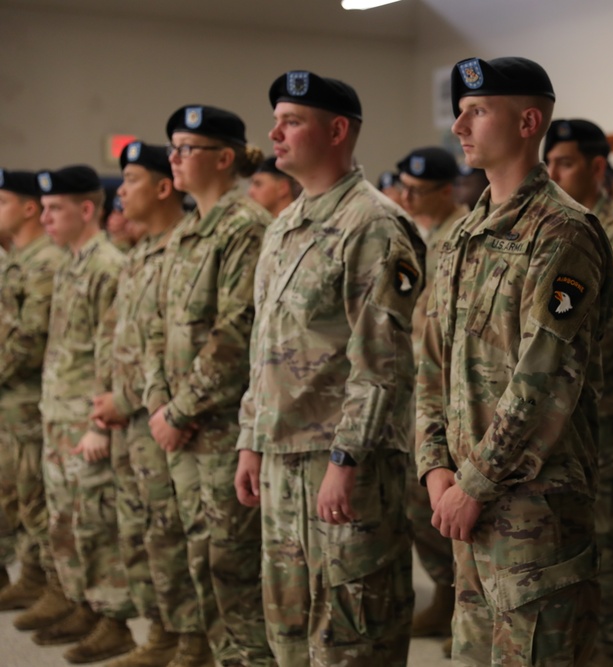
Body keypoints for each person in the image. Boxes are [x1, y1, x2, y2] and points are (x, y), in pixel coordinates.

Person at [416, 55, 613, 666]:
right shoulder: (463, 234)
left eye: (477, 111)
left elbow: (544, 377)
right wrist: (435, 469)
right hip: (463, 505)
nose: (459, 127)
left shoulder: (563, 232)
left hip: (532, 508)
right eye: (459, 112)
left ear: (529, 121)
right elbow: (431, 362)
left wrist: (474, 482)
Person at [234, 70, 423, 666]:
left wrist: (347, 460)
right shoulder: (286, 226)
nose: (274, 133)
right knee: (289, 630)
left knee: (352, 633)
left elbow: (384, 363)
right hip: (281, 457)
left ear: (337, 130)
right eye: (277, 120)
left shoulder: (374, 225)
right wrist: (249, 441)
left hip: (344, 464)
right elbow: (264, 346)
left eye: (291, 121)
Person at [145, 105, 273, 667]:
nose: (172, 158)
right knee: (200, 557)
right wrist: (160, 403)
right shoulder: (186, 232)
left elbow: (236, 332)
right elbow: (157, 325)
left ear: (224, 158)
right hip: (182, 426)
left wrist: (179, 409)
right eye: (171, 147)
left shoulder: (245, 227)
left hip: (221, 429)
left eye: (185, 148)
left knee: (234, 566)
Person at [89, 141, 205, 667]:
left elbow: (173, 349)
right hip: (128, 422)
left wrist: (128, 398)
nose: (120, 193)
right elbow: (124, 343)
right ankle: (160, 631)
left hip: (159, 418)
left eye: (131, 180)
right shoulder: (138, 257)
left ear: (164, 187)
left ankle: (191, 639)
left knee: (172, 535)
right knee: (141, 533)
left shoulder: (183, 250)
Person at [544, 117, 613, 667]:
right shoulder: (554, 225)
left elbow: (612, 320)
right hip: (559, 409)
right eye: (549, 163)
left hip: (604, 406)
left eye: (563, 162)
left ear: (593, 165)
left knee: (608, 533)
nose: (554, 173)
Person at [35, 165, 137, 662]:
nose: (45, 217)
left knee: (97, 521)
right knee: (66, 520)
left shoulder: (106, 266)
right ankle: (82, 602)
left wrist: (99, 422)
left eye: (55, 208)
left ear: (87, 209)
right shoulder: (70, 262)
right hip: (59, 413)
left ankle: (113, 619)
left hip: (88, 419)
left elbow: (112, 352)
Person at [394, 145, 466, 646]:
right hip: (417, 389)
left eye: (417, 191)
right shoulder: (417, 235)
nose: (407, 197)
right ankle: (447, 594)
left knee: (447, 507)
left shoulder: (461, 235)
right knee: (421, 507)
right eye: (404, 189)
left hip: (451, 396)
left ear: (446, 190)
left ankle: (460, 602)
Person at [0, 169, 65, 617]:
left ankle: (53, 585)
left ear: (28, 207)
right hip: (11, 400)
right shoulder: (16, 259)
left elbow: (28, 338)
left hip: (26, 398)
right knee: (16, 495)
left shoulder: (45, 261)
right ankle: (33, 576)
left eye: (2, 201)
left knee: (35, 497)